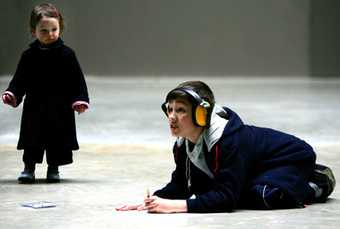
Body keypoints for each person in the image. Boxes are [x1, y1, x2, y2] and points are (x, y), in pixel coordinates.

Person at [116, 80, 336, 213]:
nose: (172, 117)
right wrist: (152, 200)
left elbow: (226, 199)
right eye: (170, 109)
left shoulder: (228, 140)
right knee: (210, 190)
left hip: (293, 157)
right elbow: (181, 185)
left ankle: (315, 183)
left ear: (201, 114)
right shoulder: (183, 143)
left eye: (181, 110)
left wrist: (173, 207)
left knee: (256, 196)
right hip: (256, 164)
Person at [2, 3, 89, 183]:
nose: (50, 34)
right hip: (35, 107)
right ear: (33, 31)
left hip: (60, 108)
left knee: (57, 140)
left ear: (60, 28)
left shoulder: (67, 55)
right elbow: (20, 79)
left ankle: (53, 169)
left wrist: (80, 99)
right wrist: (13, 93)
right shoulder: (29, 56)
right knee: (32, 138)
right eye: (44, 31)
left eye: (54, 29)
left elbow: (77, 80)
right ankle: (29, 168)